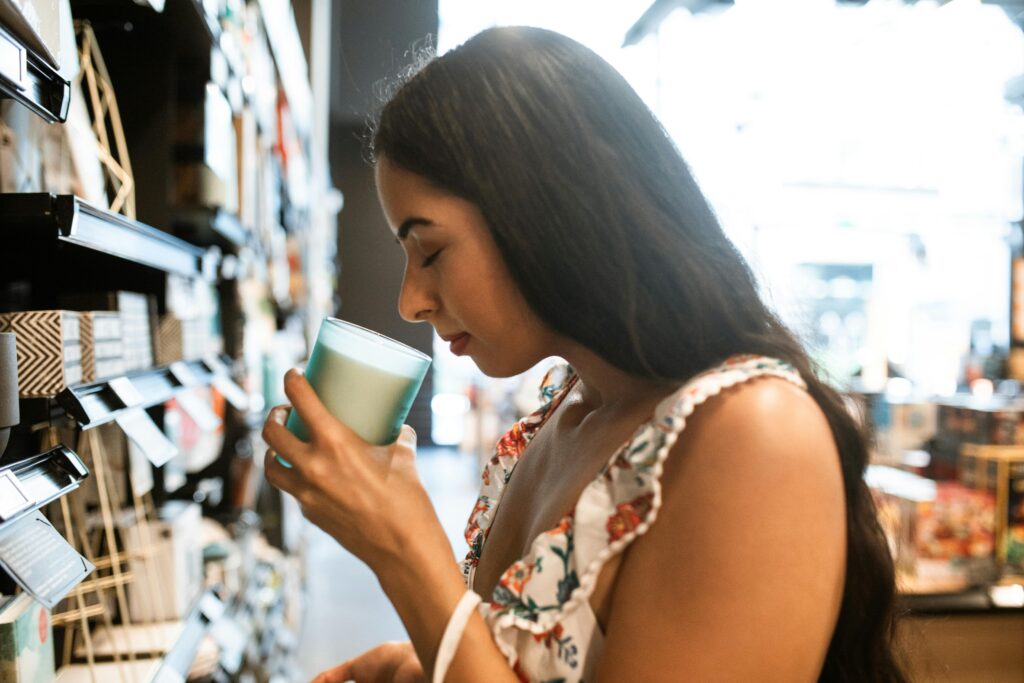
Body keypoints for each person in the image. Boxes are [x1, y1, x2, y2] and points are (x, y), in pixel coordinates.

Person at [262, 26, 906, 683]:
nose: (409, 301)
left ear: (541, 211)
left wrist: (405, 551)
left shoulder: (755, 433)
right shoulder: (563, 415)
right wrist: (420, 666)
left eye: (429, 250)